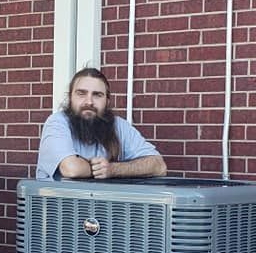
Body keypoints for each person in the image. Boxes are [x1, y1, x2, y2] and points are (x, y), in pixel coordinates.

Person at [36, 67, 166, 181]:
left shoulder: (119, 126)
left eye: (97, 95)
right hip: (58, 207)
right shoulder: (57, 123)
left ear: (107, 101)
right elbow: (71, 169)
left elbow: (159, 166)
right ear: (70, 97)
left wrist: (113, 169)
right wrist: (101, 169)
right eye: (81, 93)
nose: (89, 102)